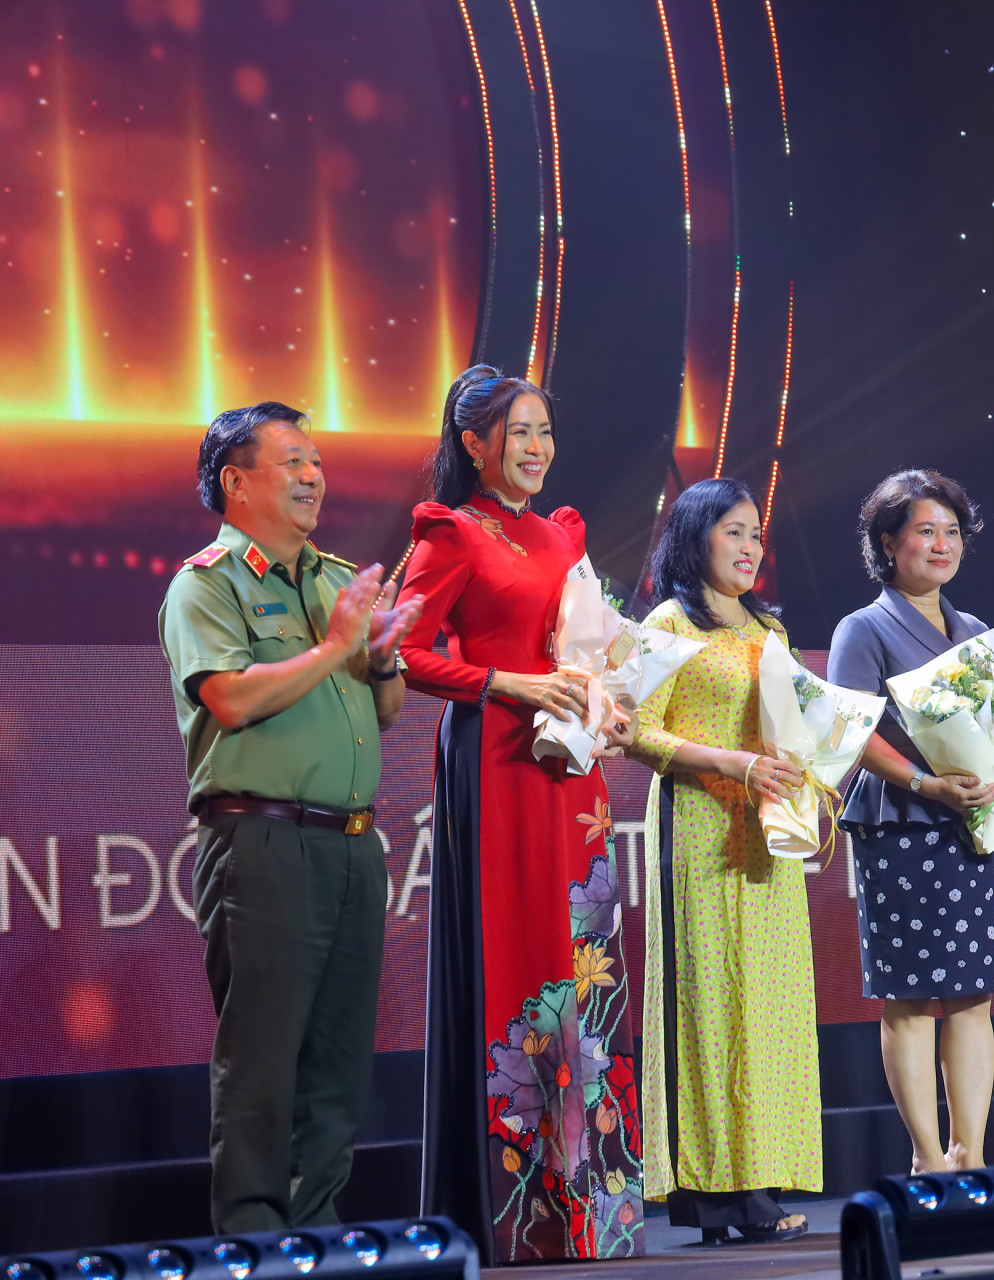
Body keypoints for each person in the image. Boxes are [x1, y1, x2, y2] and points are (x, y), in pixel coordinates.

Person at [397, 366, 642, 1262]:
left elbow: (587, 649)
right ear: (474, 445)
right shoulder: (451, 532)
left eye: (544, 431)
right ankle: (519, 1216)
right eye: (519, 432)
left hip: (571, 776)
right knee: (517, 958)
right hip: (496, 763)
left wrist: (605, 703)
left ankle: (594, 1206)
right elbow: (405, 652)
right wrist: (505, 682)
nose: (537, 448)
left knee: (583, 964)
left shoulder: (560, 534)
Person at [159, 401, 420, 1232]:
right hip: (262, 841)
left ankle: (320, 1238)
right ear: (236, 483)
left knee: (339, 1067)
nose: (314, 476)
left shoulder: (340, 579)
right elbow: (230, 701)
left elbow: (385, 710)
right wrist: (334, 651)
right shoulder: (208, 583)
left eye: (318, 462)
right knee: (263, 1067)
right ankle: (254, 1243)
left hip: (352, 846)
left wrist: (378, 660)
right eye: (292, 462)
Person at [625, 477, 819, 1244]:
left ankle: (758, 1180)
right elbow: (636, 730)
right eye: (733, 532)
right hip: (699, 829)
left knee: (765, 1007)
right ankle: (712, 1194)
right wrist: (731, 764)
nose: (749, 547)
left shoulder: (768, 626)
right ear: (695, 537)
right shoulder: (668, 623)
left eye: (755, 533)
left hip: (767, 836)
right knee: (707, 1003)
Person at [826, 470, 994, 1174]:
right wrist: (925, 782)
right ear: (889, 544)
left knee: (973, 995)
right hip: (905, 823)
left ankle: (970, 1154)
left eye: (951, 531)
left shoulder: (977, 632)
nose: (941, 544)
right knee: (912, 999)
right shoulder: (864, 628)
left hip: (974, 828)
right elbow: (852, 730)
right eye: (924, 530)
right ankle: (927, 1158)